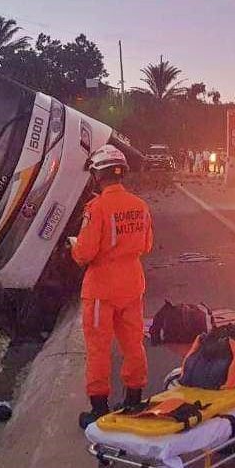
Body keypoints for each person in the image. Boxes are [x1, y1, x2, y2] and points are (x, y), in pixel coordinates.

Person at [71, 144, 154, 429]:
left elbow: (84, 253)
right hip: (132, 284)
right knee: (133, 343)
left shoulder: (96, 208)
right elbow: (146, 245)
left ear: (97, 175)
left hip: (101, 290)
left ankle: (99, 408)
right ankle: (134, 399)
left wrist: (73, 247)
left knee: (98, 348)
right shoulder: (140, 206)